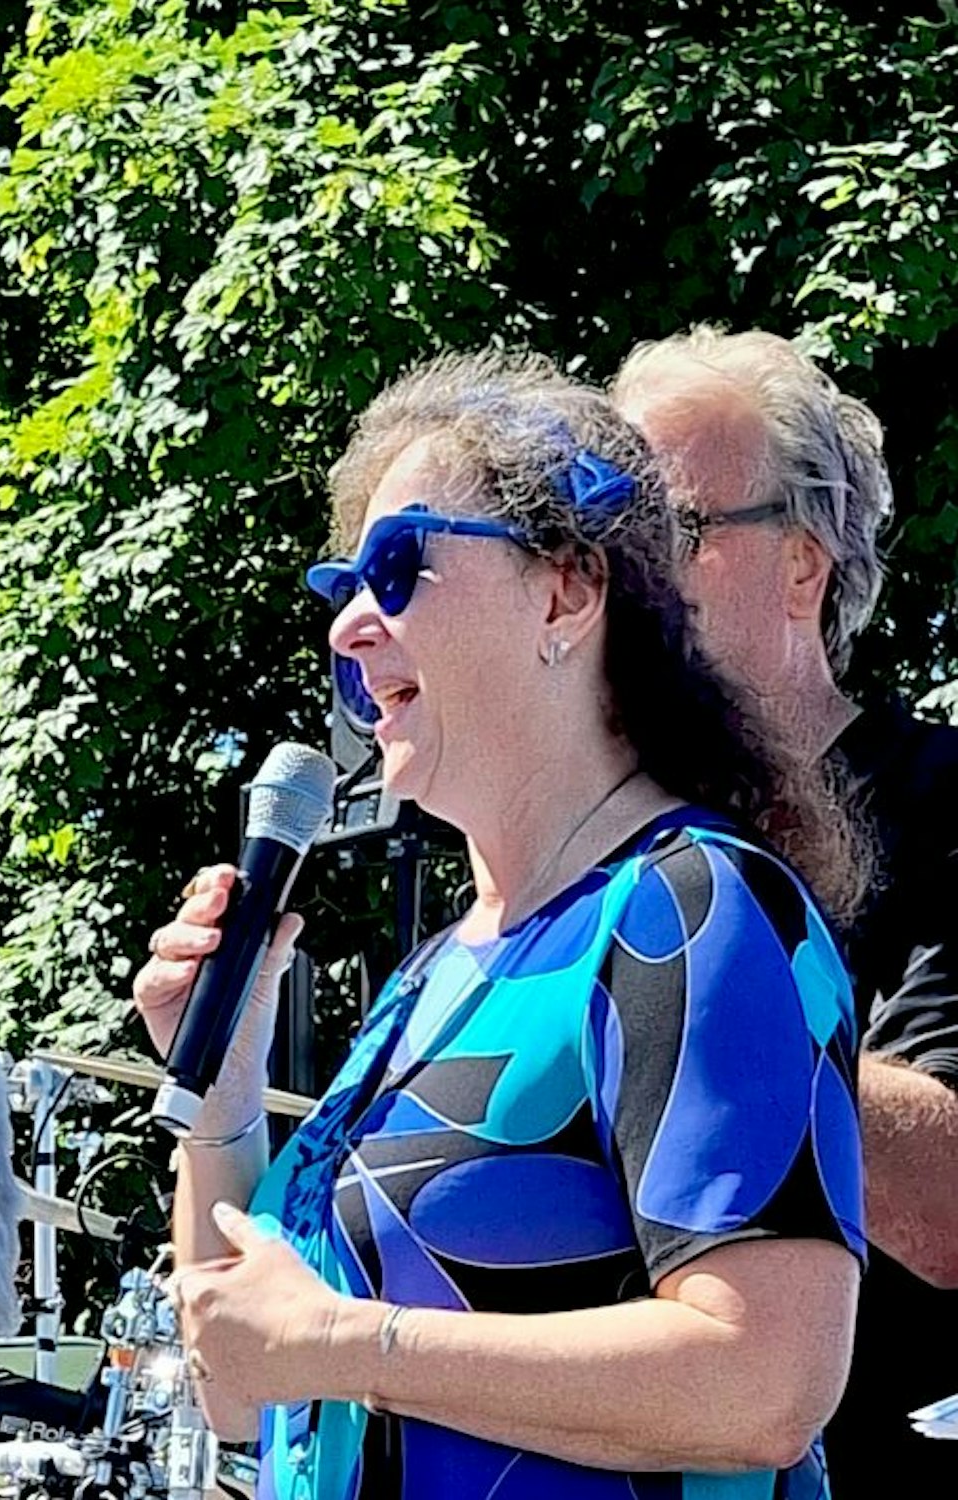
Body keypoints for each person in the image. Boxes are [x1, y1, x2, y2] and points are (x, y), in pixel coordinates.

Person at [135, 351, 867, 1499]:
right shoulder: (430, 979)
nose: (348, 629)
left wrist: (344, 1343)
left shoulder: (690, 912)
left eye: (397, 567)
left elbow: (762, 1376)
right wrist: (223, 1097)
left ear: (566, 593)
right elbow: (239, 1382)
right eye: (341, 590)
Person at [613, 328, 958, 1489]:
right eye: (600, 530)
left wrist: (707, 1018)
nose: (622, 570)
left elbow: (949, 1209)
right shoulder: (579, 841)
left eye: (670, 529)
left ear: (801, 566)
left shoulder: (942, 802)